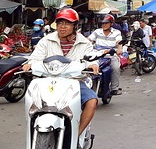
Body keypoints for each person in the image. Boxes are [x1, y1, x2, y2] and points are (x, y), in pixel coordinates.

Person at [23, 7, 99, 139]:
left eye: (67, 23)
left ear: (75, 26)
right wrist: (29, 64)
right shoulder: (46, 40)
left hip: (74, 82)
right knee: (31, 99)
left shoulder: (84, 43)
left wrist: (92, 65)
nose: (62, 27)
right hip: (48, 81)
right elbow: (35, 57)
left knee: (91, 101)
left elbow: (91, 58)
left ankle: (75, 135)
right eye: (60, 23)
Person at [88, 14, 124, 95]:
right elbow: (89, 39)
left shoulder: (116, 32)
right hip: (97, 55)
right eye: (103, 23)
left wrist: (119, 48)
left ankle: (114, 88)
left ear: (111, 23)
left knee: (115, 67)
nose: (104, 25)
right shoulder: (97, 31)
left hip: (110, 55)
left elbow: (119, 41)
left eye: (106, 23)